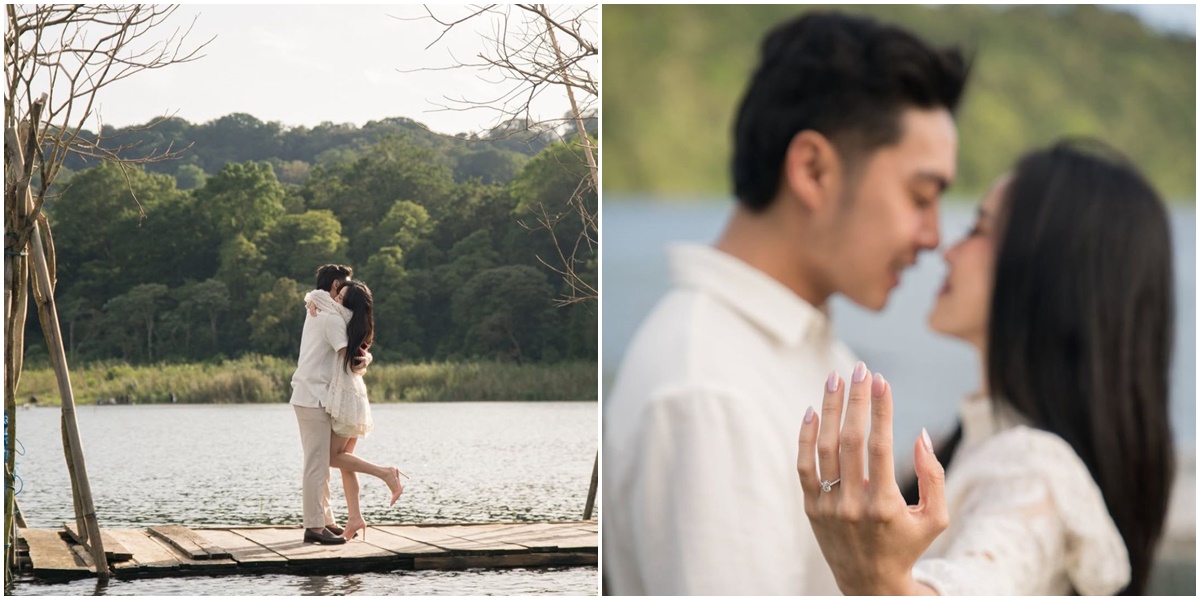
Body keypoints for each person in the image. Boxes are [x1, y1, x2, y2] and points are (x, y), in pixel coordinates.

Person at [602, 11, 970, 595]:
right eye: (920, 196)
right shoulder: (710, 392)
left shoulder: (807, 351)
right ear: (813, 170)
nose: (933, 237)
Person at [797, 140, 1175, 595]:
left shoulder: (1035, 469)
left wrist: (879, 581)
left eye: (978, 228)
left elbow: (983, 578)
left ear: (1048, 270)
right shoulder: (957, 443)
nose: (945, 250)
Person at [311, 279, 407, 541]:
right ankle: (355, 518)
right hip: (355, 397)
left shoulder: (341, 318)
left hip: (346, 400)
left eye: (341, 296)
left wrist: (311, 300)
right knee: (346, 463)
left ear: (349, 305)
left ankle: (386, 473)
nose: (336, 299)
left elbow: (317, 297)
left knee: (332, 458)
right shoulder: (356, 325)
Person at [290, 264, 353, 545]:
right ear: (336, 287)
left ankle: (325, 519)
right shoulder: (329, 318)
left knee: (321, 463)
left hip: (313, 395)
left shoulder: (317, 308)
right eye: (347, 285)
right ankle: (314, 526)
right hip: (313, 396)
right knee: (316, 464)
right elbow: (348, 355)